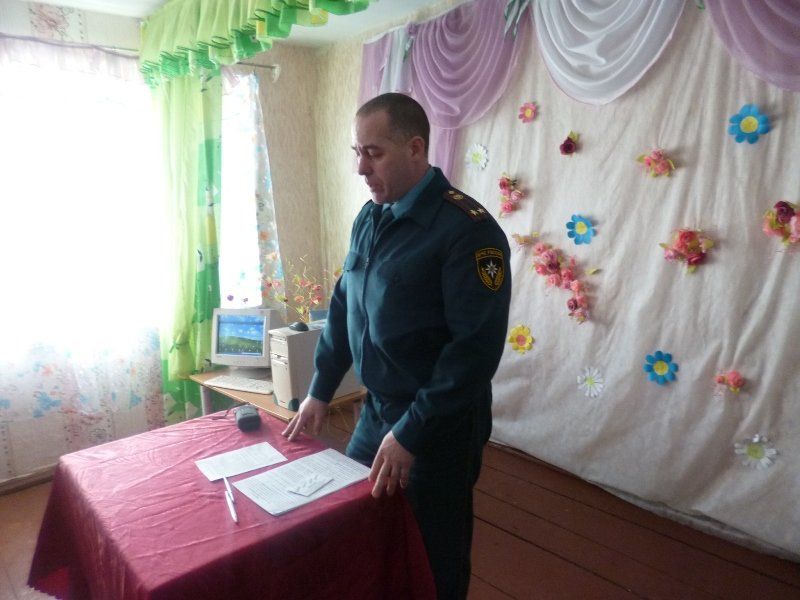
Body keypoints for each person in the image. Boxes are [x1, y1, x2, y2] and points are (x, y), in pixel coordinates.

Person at [282, 92, 511, 599]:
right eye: (357, 152)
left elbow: (473, 351)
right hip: (377, 411)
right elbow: (344, 305)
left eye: (374, 153)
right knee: (364, 523)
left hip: (438, 425)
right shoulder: (370, 217)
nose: (361, 168)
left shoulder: (469, 233)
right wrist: (320, 389)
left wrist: (412, 432)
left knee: (432, 550)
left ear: (415, 148)